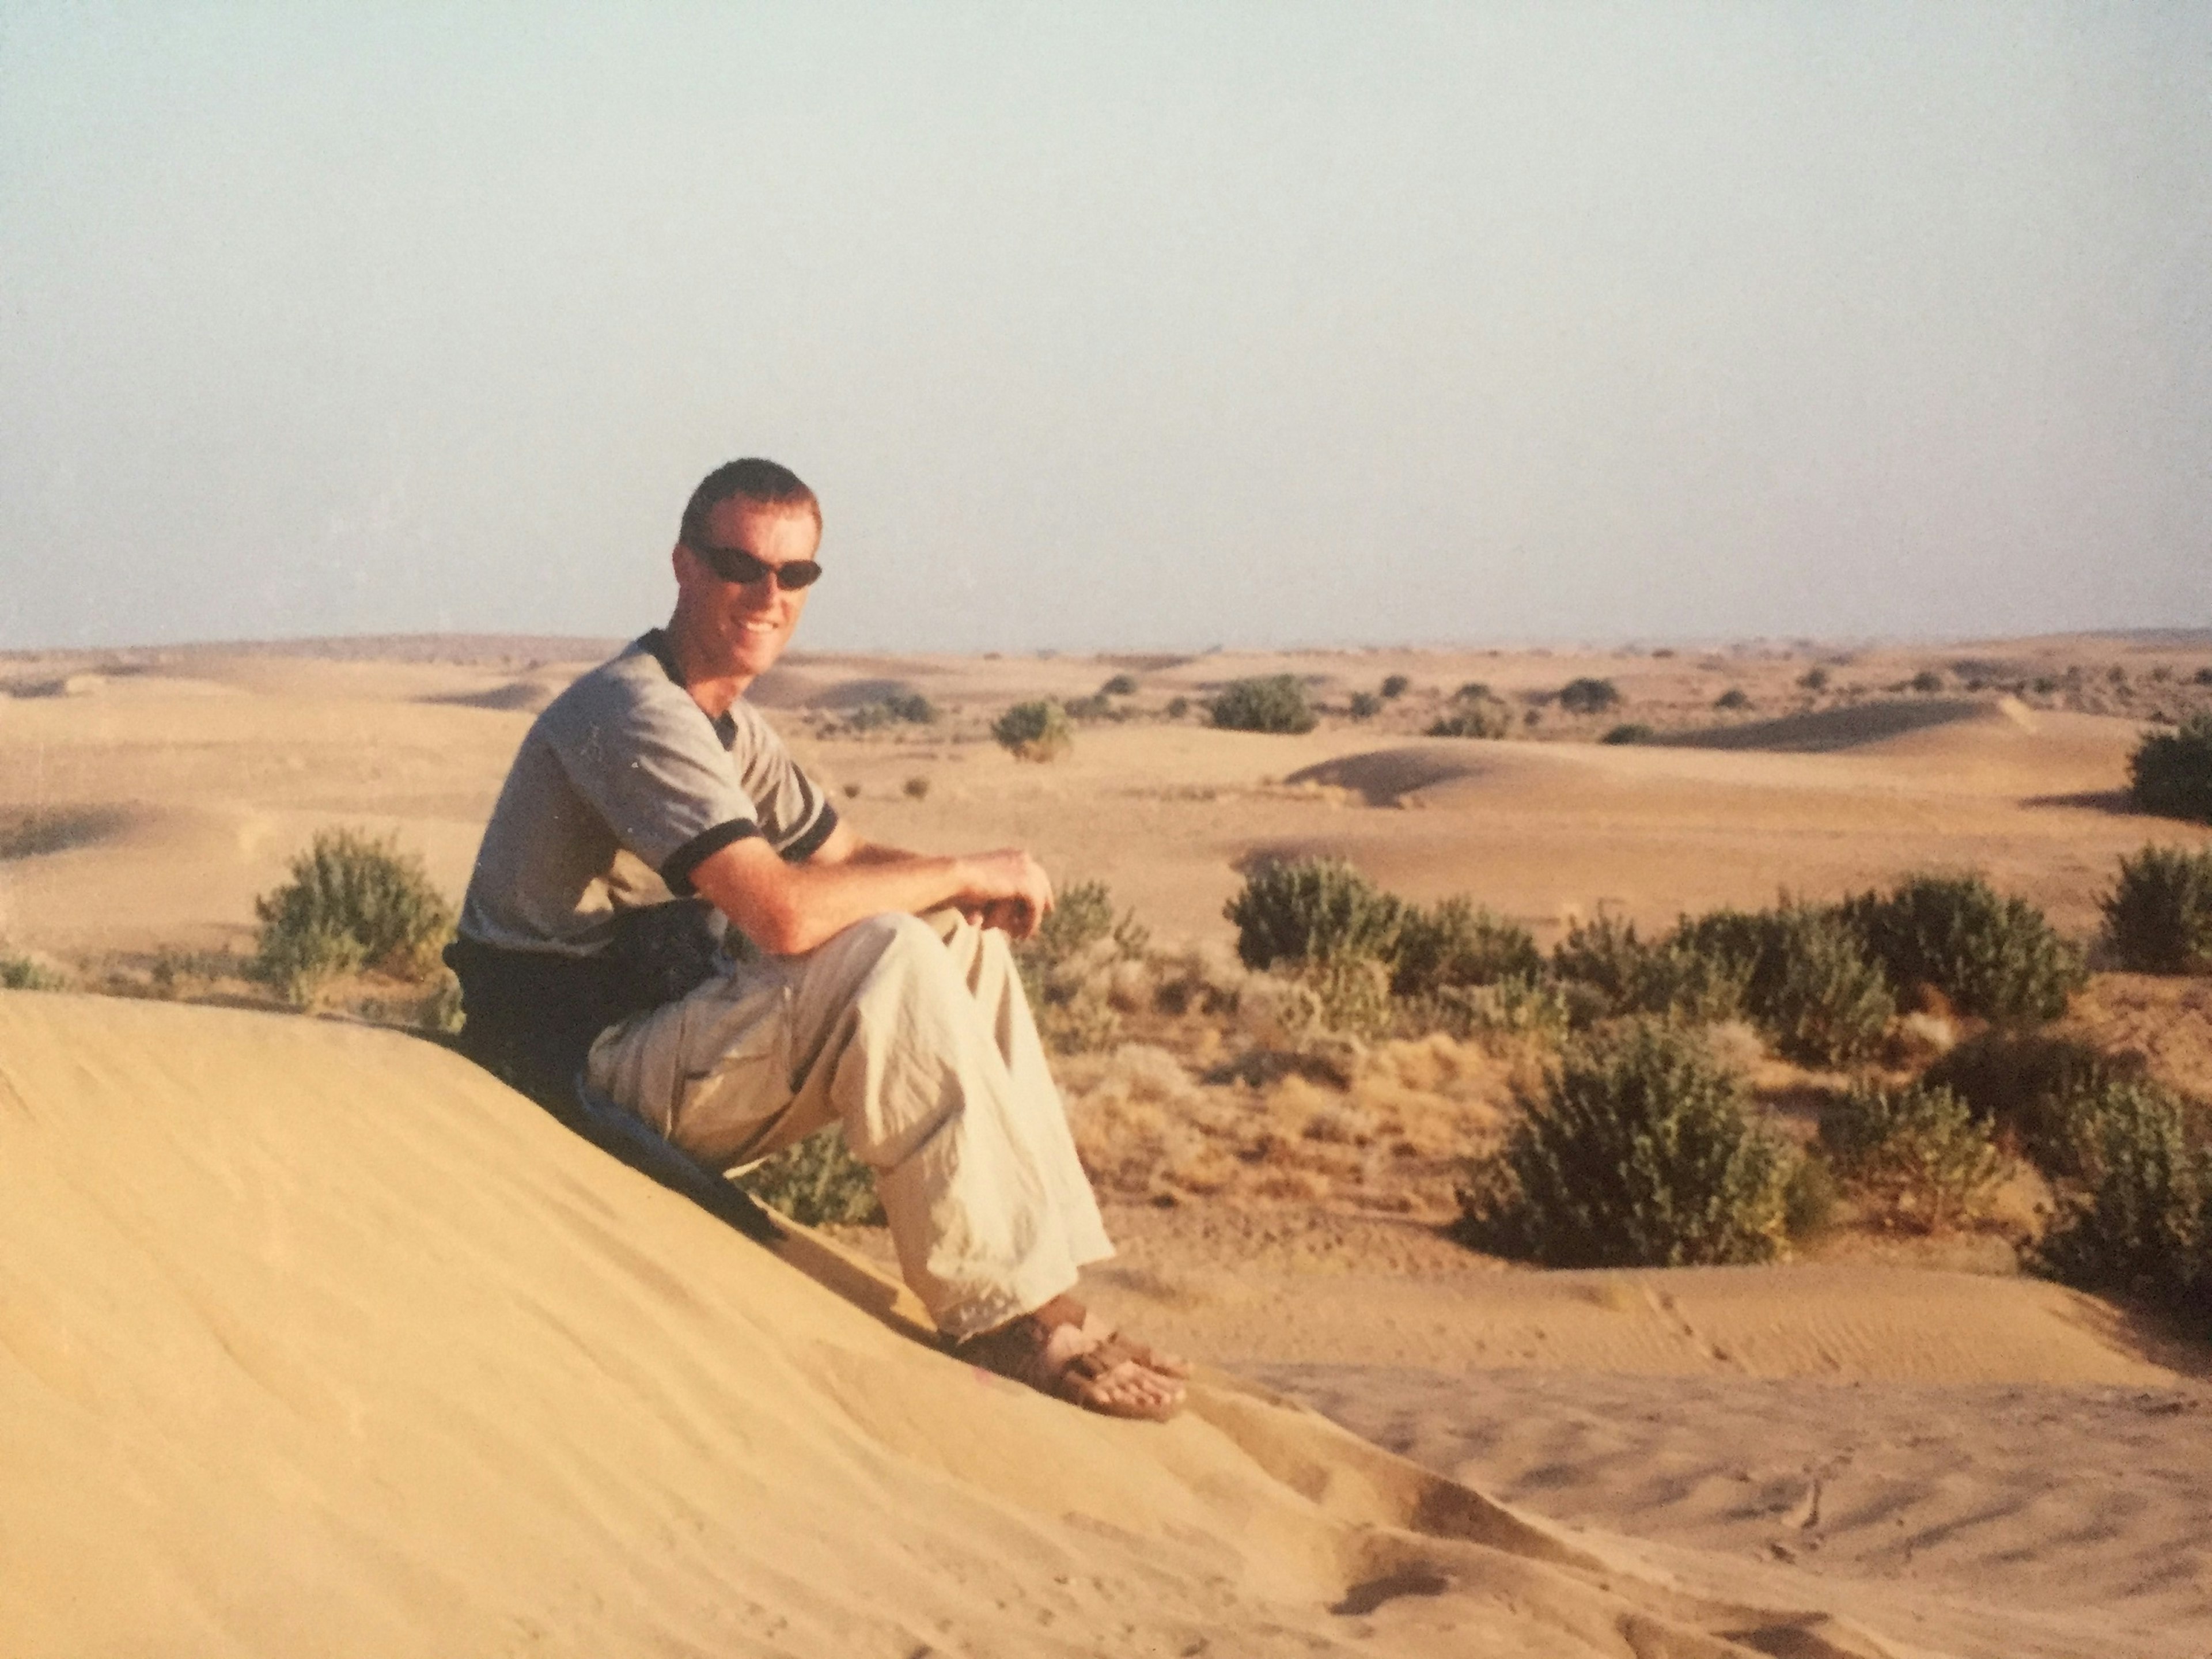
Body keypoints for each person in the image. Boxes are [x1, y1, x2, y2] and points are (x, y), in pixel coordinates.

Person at [448, 457, 1185, 1421]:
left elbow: (845, 855)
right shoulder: (633, 711)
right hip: (574, 1084)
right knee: (889, 953)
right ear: (681, 565)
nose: (768, 596)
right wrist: (966, 870)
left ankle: (1048, 1289)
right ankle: (1011, 1316)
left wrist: (969, 890)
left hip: (666, 1041)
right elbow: (782, 913)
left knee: (952, 937)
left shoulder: (728, 726)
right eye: (739, 566)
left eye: (795, 576)